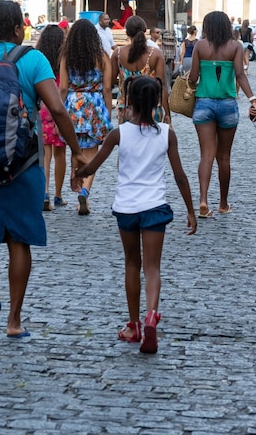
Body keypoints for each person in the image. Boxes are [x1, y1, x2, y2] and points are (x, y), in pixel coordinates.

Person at [0, 0, 85, 338]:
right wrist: (78, 153)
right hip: (25, 163)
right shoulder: (32, 59)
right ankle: (14, 321)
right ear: (19, 28)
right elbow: (58, 110)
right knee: (18, 240)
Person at [74, 75, 197, 354]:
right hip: (154, 207)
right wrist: (190, 210)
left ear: (129, 101)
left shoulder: (119, 134)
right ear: (156, 103)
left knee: (132, 264)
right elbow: (179, 176)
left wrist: (78, 174)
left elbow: (94, 164)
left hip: (126, 209)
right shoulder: (167, 133)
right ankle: (151, 315)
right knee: (152, 268)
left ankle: (133, 325)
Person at [189, 11, 256, 218]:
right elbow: (240, 74)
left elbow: (193, 78)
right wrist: (252, 99)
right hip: (227, 104)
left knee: (206, 155)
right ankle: (223, 203)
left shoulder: (200, 46)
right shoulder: (235, 46)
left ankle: (202, 201)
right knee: (224, 157)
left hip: (203, 104)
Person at [59, 19, 113, 215]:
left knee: (76, 150)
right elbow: (107, 89)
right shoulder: (102, 57)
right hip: (95, 105)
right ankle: (84, 191)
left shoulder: (67, 57)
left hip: (73, 106)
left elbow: (63, 88)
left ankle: (75, 181)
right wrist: (107, 114)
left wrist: (59, 113)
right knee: (92, 154)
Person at [111, 15, 171, 125]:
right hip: (151, 107)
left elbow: (109, 83)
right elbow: (162, 86)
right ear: (144, 31)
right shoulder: (155, 54)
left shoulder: (118, 54)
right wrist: (168, 114)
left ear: (127, 32)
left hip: (127, 108)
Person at [36, 24, 67, 211]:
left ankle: (44, 192)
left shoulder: (39, 58)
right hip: (58, 106)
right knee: (60, 154)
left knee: (44, 154)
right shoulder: (64, 58)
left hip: (42, 107)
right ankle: (58, 195)